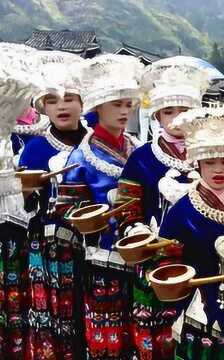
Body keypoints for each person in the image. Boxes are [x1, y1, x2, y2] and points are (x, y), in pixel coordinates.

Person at [114, 56, 211, 359]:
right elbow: (126, 209)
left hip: (205, 263)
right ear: (156, 116)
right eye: (168, 111)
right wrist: (139, 231)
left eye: (184, 111)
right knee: (156, 339)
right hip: (158, 264)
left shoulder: (213, 155)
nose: (177, 118)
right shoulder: (141, 158)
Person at [55, 54, 143, 359]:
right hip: (102, 259)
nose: (124, 111)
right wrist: (91, 219)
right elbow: (65, 208)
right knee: (107, 338)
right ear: (98, 107)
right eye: (116, 104)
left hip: (143, 257)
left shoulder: (137, 149)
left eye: (127, 104)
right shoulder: (81, 157)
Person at [158, 107, 224, 359]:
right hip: (201, 313)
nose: (219, 170)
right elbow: (165, 262)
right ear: (198, 162)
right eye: (210, 162)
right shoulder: (182, 211)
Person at [16, 50, 87, 359]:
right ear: (42, 105)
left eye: (70, 97)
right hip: (49, 252)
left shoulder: (97, 144)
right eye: (53, 99)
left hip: (94, 250)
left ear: (83, 103)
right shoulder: (34, 149)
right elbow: (24, 204)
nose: (62, 106)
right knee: (54, 324)